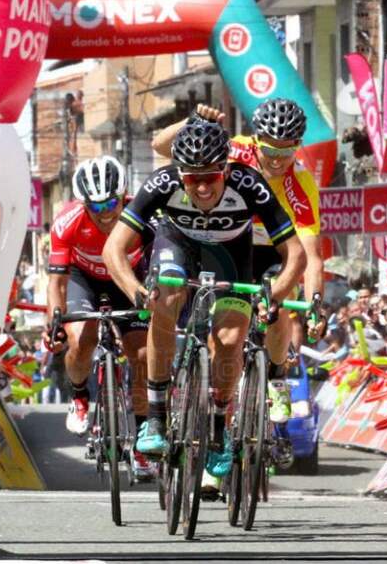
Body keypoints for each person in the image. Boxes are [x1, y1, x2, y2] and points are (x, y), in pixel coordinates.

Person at [104, 118, 306, 492]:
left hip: (230, 254)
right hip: (177, 244)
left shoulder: (250, 184)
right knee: (165, 299)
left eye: (210, 177)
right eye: (190, 177)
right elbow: (113, 248)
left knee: (229, 341)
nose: (199, 186)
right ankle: (158, 417)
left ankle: (216, 427)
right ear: (178, 173)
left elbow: (295, 254)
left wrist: (273, 295)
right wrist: (134, 290)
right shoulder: (162, 183)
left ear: (226, 171)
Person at [152, 100, 324, 426]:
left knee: (279, 308)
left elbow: (311, 258)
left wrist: (316, 303)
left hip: (273, 250)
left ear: (297, 148)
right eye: (269, 152)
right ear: (255, 140)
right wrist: (191, 121)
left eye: (285, 154)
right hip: (226, 241)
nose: (275, 162)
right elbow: (162, 147)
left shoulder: (301, 184)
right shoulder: (235, 150)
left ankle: (276, 378)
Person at [44, 155, 154, 479]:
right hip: (83, 278)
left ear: (124, 195)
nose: (105, 213)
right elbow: (57, 282)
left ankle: (144, 437)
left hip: (127, 277)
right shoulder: (67, 222)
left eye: (111, 204)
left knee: (143, 355)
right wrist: (55, 322)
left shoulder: (144, 215)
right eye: (96, 207)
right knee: (81, 338)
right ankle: (79, 395)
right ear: (84, 203)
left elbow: (159, 264)